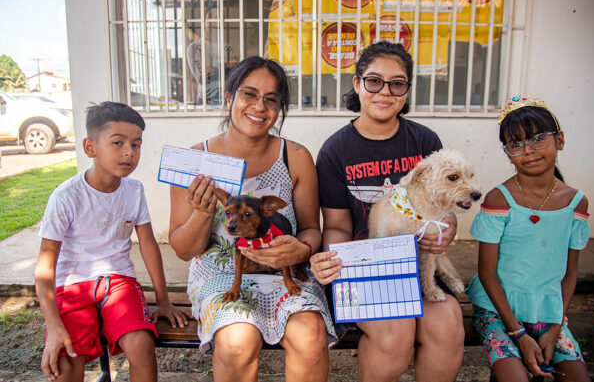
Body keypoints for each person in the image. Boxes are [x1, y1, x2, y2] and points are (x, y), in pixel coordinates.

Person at [169, 56, 336, 382]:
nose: (260, 107)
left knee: (310, 335)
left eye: (271, 99)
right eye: (249, 94)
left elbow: (311, 229)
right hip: (220, 276)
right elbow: (183, 250)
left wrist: (301, 250)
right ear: (229, 97)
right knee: (236, 341)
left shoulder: (296, 157)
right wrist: (204, 212)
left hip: (285, 272)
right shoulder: (195, 159)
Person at [310, 41, 464, 382]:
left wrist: (447, 229)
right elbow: (336, 225)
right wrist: (331, 257)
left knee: (448, 326)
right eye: (374, 80)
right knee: (394, 335)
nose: (385, 91)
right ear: (357, 84)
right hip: (366, 268)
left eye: (397, 83)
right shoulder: (336, 151)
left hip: (419, 264)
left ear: (407, 90)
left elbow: (444, 210)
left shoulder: (424, 142)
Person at [34, 102, 189, 382]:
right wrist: (54, 327)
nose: (129, 152)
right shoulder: (66, 196)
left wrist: (163, 301)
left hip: (119, 283)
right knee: (65, 363)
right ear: (90, 147)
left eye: (136, 144)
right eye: (118, 143)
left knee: (142, 345)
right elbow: (45, 269)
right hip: (71, 286)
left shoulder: (134, 190)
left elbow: (148, 245)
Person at [465, 94, 591, 381]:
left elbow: (570, 273)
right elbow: (487, 273)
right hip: (498, 310)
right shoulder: (500, 199)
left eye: (538, 138)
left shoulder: (576, 203)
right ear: (507, 152)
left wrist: (556, 327)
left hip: (550, 313)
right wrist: (519, 334)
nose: (529, 150)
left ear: (560, 139)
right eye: (516, 144)